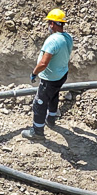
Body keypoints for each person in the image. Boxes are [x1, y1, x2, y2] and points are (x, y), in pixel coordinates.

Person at [24, 9, 73, 139]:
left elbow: (43, 63)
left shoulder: (53, 40)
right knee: (53, 95)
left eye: (49, 23)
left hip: (49, 79)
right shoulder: (68, 37)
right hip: (61, 75)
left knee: (39, 103)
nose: (48, 26)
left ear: (52, 24)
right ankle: (51, 119)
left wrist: (34, 73)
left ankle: (37, 132)